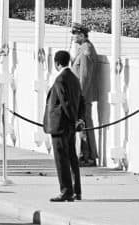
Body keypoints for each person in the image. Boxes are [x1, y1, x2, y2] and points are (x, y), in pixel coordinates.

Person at [44, 50, 86, 202]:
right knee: (72, 158)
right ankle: (76, 190)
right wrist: (79, 119)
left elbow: (65, 103)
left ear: (56, 63)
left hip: (60, 125)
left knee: (61, 159)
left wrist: (73, 119)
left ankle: (66, 191)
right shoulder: (74, 79)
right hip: (70, 126)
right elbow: (82, 102)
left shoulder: (60, 79)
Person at [70, 22, 99, 166]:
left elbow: (85, 77)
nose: (73, 37)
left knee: (84, 125)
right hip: (81, 95)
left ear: (81, 35)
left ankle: (88, 157)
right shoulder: (82, 49)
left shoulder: (86, 50)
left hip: (83, 96)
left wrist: (80, 96)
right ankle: (84, 155)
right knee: (82, 125)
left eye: (75, 34)